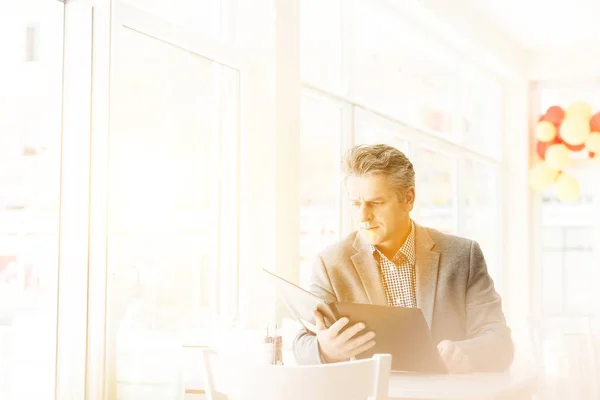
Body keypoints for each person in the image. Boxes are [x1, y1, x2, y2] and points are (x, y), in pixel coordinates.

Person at [292, 144, 513, 373]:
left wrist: (465, 352)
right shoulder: (331, 264)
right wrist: (326, 350)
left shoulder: (461, 256)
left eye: (376, 203)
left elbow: (499, 340)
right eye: (356, 204)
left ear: (408, 198)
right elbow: (301, 344)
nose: (363, 216)